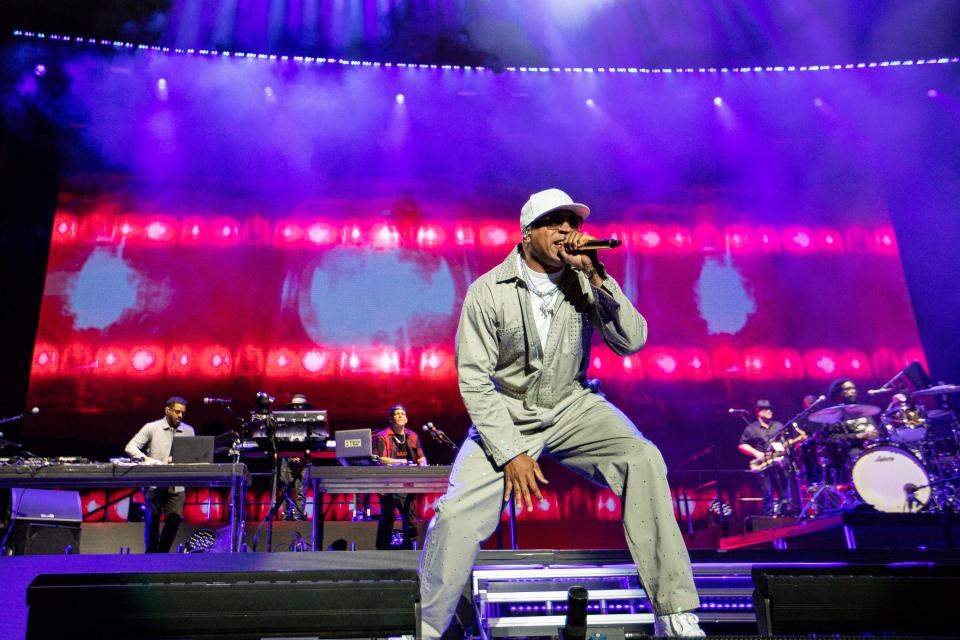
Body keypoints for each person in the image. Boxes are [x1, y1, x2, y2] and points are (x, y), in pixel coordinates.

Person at [418, 188, 703, 638]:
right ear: (527, 233)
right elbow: (474, 381)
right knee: (455, 515)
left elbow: (632, 342)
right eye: (555, 223)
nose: (567, 232)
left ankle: (675, 613)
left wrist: (597, 276)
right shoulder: (488, 291)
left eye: (573, 224)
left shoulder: (584, 278)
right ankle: (426, 627)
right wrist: (511, 452)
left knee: (642, 459)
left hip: (573, 404)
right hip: (506, 412)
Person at [125, 396, 195, 553]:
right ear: (167, 410)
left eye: (183, 413)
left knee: (174, 519)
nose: (180, 416)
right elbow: (131, 447)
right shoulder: (152, 427)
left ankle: (162, 554)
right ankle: (151, 555)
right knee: (152, 521)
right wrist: (148, 460)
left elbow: (193, 456)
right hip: (154, 483)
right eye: (177, 412)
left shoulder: (188, 431)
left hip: (177, 485)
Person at [373, 404, 427, 549]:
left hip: (406, 482)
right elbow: (380, 459)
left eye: (403, 413)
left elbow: (421, 457)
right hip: (387, 482)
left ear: (407, 418)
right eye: (397, 413)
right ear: (391, 419)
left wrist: (423, 464)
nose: (400, 415)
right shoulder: (382, 436)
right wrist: (402, 462)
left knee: (409, 515)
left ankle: (410, 548)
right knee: (387, 516)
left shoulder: (413, 436)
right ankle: (382, 550)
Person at [737, 399, 804, 516]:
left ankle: (786, 515)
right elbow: (742, 445)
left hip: (780, 463)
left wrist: (791, 444)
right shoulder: (752, 428)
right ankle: (768, 519)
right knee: (767, 492)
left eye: (770, 409)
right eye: (765, 409)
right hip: (764, 464)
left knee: (785, 491)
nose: (769, 411)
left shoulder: (778, 425)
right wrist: (757, 454)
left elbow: (785, 442)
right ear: (758, 411)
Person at [279, 393, 311, 521]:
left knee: (301, 491)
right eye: (296, 406)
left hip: (304, 460)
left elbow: (313, 442)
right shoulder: (285, 422)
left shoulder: (310, 423)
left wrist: (301, 456)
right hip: (287, 459)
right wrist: (291, 456)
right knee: (286, 490)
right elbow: (281, 440)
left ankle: (298, 517)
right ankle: (286, 516)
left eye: (300, 406)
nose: (298, 409)